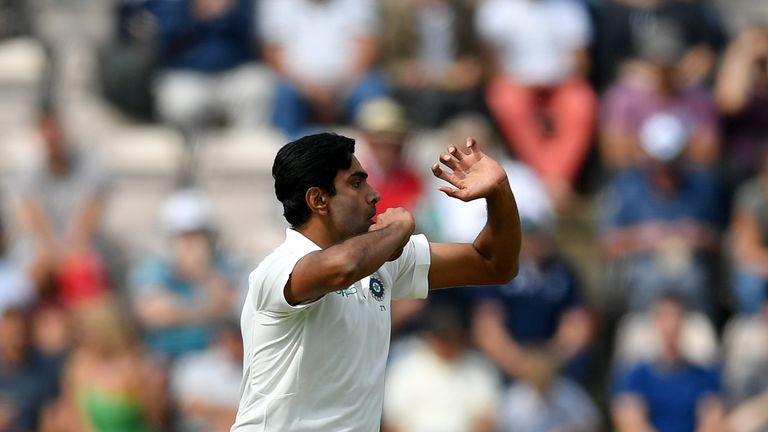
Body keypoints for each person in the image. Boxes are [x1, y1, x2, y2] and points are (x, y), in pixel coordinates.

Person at [231, 133, 521, 431]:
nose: (374, 194)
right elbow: (341, 267)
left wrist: (499, 192)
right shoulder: (280, 266)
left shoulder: (379, 260)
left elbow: (495, 265)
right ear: (318, 200)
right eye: (356, 184)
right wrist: (399, 228)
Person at [477, 0, 597, 209]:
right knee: (507, 101)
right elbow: (491, 65)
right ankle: (555, 185)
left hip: (559, 85)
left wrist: (552, 81)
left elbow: (581, 62)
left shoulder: (570, 9)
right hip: (516, 85)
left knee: (582, 102)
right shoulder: (496, 9)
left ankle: (552, 183)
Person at [129, 189, 239, 360]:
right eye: (184, 236)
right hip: (163, 357)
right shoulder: (152, 268)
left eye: (197, 235)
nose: (191, 244)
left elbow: (228, 303)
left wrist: (202, 272)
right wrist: (204, 308)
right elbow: (154, 313)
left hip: (210, 356)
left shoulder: (221, 265)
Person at [260, 0, 389, 137]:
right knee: (285, 95)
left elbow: (368, 47)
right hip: (298, 85)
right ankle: (289, 149)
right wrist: (311, 90)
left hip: (350, 83)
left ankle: (373, 154)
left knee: (372, 91)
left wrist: (340, 88)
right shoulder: (277, 4)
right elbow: (273, 53)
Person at [147, 0, 274, 134]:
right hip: (186, 76)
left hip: (235, 74)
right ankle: (191, 152)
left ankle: (243, 149)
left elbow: (252, 35)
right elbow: (167, 36)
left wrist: (227, 12)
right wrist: (198, 11)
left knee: (257, 85)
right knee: (178, 100)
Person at [611, 293, 726, 432]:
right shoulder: (635, 377)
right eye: (663, 317)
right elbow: (630, 422)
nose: (670, 325)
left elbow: (713, 421)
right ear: (654, 322)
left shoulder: (705, 377)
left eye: (675, 316)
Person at [383, 302, 501, 432]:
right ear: (429, 336)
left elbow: (486, 422)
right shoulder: (404, 368)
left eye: (452, 336)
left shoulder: (478, 369)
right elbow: (392, 424)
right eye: (442, 337)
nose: (447, 342)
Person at [170, 321, 243, 432]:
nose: (231, 347)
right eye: (225, 341)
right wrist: (224, 413)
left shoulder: (249, 373)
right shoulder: (194, 365)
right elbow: (189, 406)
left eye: (236, 341)